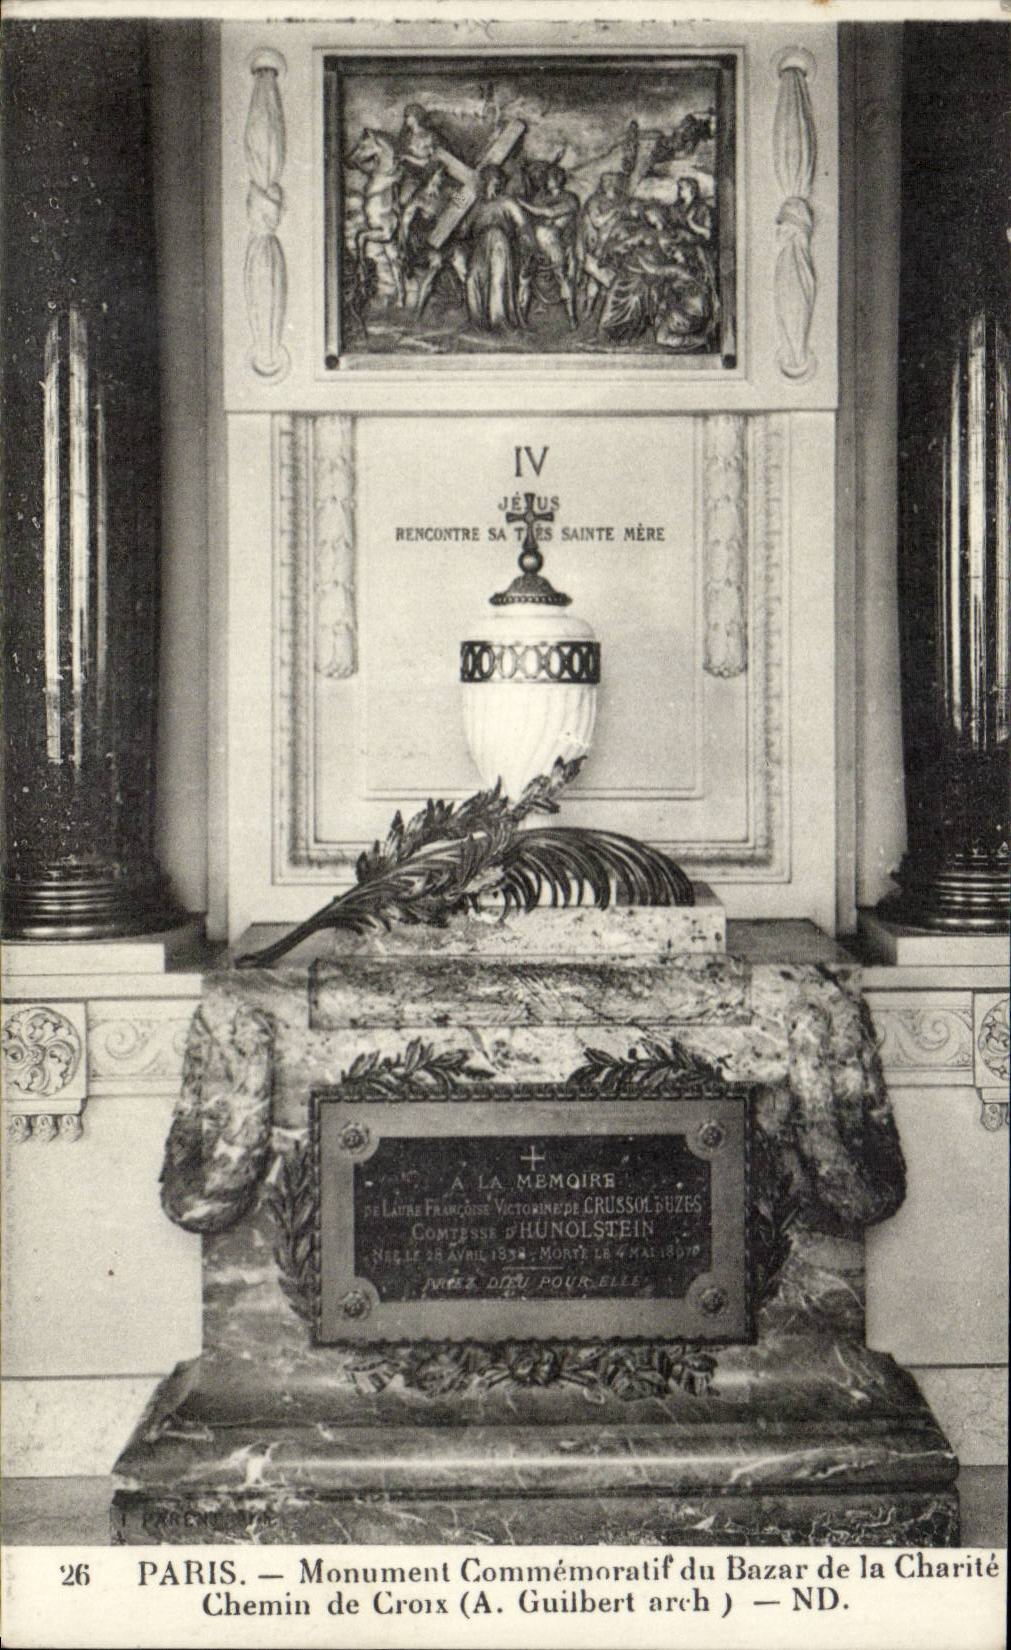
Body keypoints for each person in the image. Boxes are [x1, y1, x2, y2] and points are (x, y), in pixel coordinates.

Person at [462, 165, 531, 330]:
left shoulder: (507, 201)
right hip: (480, 242)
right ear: (485, 181)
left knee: (498, 280)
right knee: (472, 278)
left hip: (500, 240)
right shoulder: (476, 203)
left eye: (498, 180)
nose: (496, 183)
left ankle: (498, 320)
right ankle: (476, 321)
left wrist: (526, 244)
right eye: (492, 180)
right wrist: (457, 193)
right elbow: (461, 220)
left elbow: (522, 224)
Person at [520, 162, 581, 326]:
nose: (546, 179)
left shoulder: (570, 198)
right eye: (546, 177)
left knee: (562, 277)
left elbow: (548, 212)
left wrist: (522, 204)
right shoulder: (540, 197)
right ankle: (521, 319)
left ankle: (572, 317)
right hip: (536, 244)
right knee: (524, 277)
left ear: (559, 178)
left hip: (556, 243)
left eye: (550, 177)